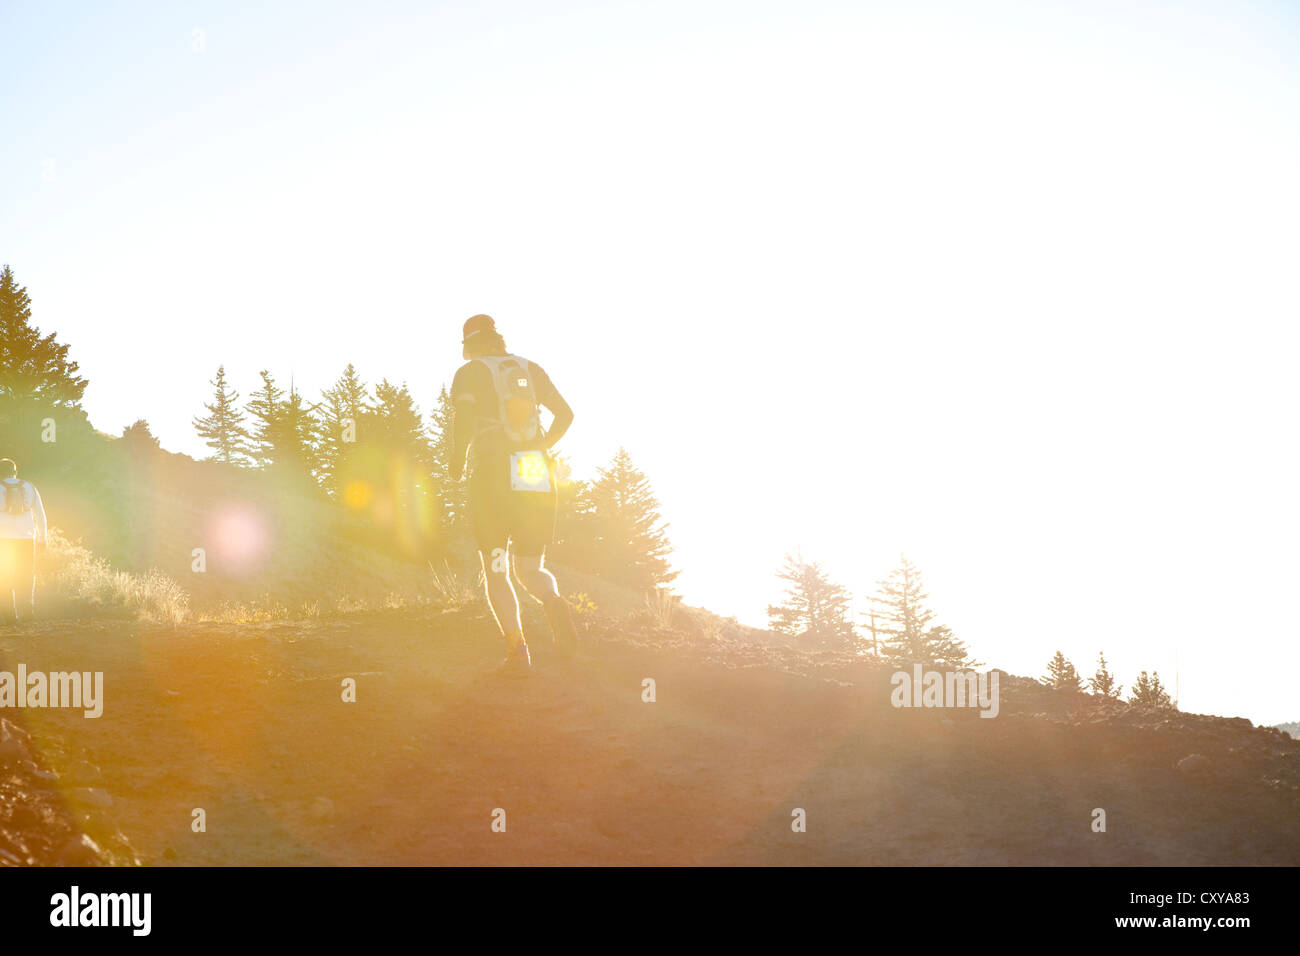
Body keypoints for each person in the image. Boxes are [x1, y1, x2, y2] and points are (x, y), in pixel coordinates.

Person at [449, 314, 578, 672]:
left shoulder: (470, 373)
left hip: (492, 470)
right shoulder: (531, 368)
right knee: (530, 569)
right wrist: (540, 444)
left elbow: (463, 421)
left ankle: (517, 649)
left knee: (496, 567)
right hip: (534, 469)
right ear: (498, 339)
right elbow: (566, 415)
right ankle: (552, 601)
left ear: (470, 345)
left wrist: (457, 462)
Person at [0, 459, 48, 625]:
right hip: (26, 538)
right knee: (26, 575)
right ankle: (27, 612)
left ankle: (9, 616)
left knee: (4, 576)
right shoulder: (29, 487)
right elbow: (40, 515)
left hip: (3, 539)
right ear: (15, 472)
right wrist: (43, 539)